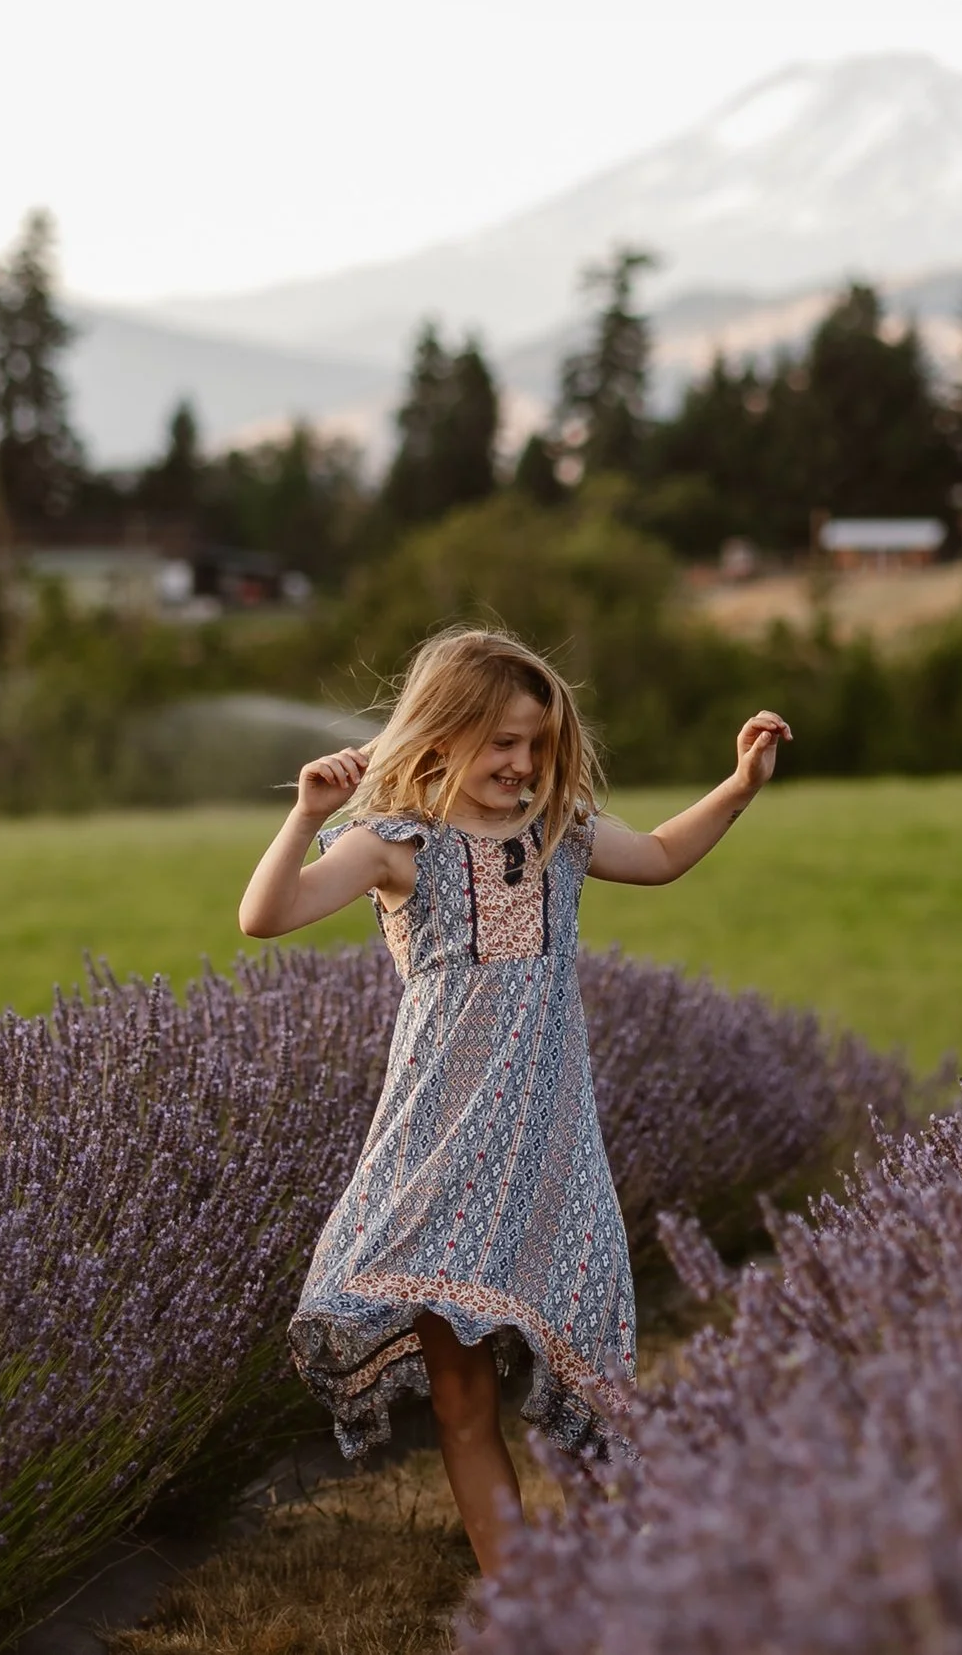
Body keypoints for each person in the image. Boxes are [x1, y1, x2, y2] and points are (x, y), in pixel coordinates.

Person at [237, 626, 791, 1576]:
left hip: (551, 1145)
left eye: (536, 742)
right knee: (462, 1399)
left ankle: (646, 1558)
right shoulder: (391, 846)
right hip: (438, 1147)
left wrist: (738, 788)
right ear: (443, 736)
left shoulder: (558, 837)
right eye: (502, 741)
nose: (523, 763)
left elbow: (658, 856)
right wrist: (303, 815)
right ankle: (522, 1599)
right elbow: (264, 917)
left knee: (592, 1359)